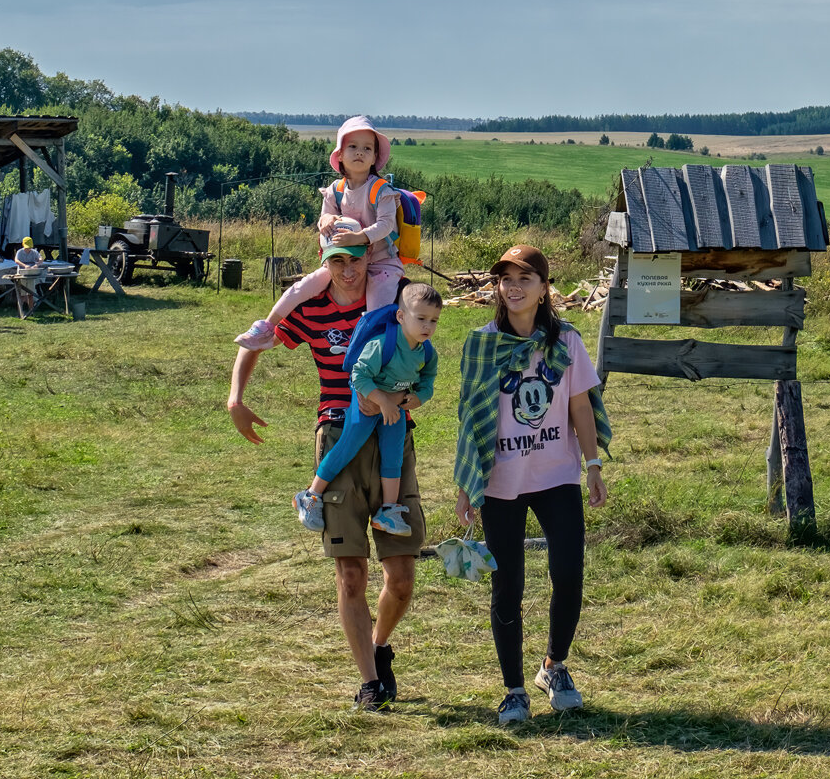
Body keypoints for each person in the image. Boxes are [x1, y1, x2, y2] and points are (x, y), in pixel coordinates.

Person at [228, 242, 426, 713]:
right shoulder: (311, 307)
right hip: (337, 434)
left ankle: (380, 646)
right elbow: (261, 336)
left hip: (394, 435)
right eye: (337, 260)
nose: (348, 269)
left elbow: (429, 323)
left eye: (356, 259)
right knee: (352, 573)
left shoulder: (389, 299)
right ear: (325, 263)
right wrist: (236, 397)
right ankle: (370, 682)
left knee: (400, 576)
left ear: (369, 259)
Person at [454, 244, 612, 725]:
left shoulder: (566, 343)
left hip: (556, 477)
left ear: (545, 289)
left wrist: (593, 465)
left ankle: (554, 666)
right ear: (497, 288)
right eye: (506, 278)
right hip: (502, 481)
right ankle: (514, 690)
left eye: (526, 278)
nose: (514, 286)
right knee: (509, 586)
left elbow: (580, 407)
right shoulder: (482, 345)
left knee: (568, 574)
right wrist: (466, 485)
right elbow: (470, 419)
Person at [234, 115, 404, 352]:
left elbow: (386, 225)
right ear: (340, 155)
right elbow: (324, 218)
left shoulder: (381, 190)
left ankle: (369, 356)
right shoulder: (336, 189)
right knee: (302, 287)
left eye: (367, 148)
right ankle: (266, 327)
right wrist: (325, 219)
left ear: (375, 157)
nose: (359, 152)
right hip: (343, 256)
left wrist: (360, 237)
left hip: (381, 261)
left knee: (377, 309)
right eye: (352, 146)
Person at [294, 282, 441, 538]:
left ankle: (389, 510)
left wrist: (419, 397)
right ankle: (311, 495)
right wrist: (382, 400)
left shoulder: (427, 351)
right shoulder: (383, 344)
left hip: (394, 409)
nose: (427, 326)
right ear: (401, 316)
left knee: (393, 454)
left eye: (434, 320)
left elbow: (428, 380)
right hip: (366, 401)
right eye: (421, 319)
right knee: (348, 446)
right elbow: (358, 376)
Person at [13, 236, 42, 310]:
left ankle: (31, 310)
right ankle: (21, 311)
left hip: (31, 274)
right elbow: (16, 260)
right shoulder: (20, 252)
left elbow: (41, 259)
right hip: (22, 273)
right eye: (27, 247)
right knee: (22, 294)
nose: (28, 249)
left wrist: (37, 265)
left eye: (29, 247)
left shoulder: (34, 252)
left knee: (30, 294)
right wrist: (24, 265)